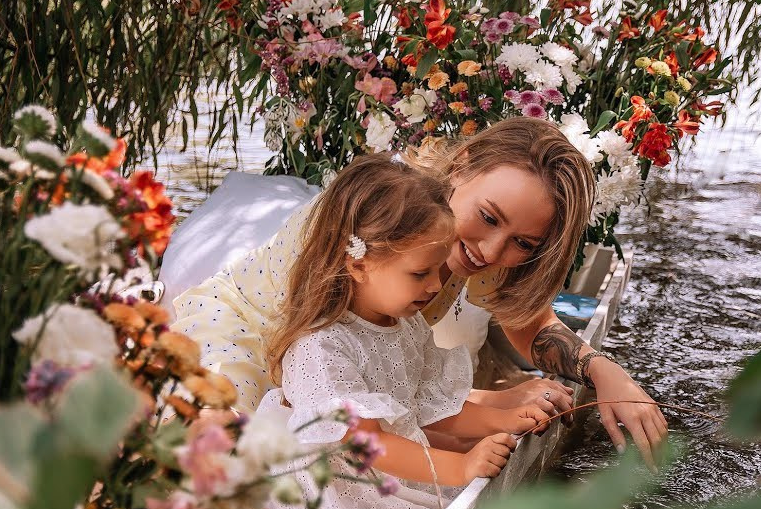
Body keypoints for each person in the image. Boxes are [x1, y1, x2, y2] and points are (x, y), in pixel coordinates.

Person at [171, 116, 668, 466]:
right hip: (257, 338)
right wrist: (487, 409)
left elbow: (532, 323)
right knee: (226, 447)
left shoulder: (478, 245)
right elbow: (320, 375)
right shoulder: (373, 227)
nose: (492, 252)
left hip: (338, 378)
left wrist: (604, 373)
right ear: (463, 165)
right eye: (489, 217)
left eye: (523, 243)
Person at [260, 154, 550, 509]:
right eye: (420, 274)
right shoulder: (322, 346)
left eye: (436, 270)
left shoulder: (404, 324)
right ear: (359, 264)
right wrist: (459, 467)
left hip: (378, 471)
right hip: (336, 481)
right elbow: (368, 443)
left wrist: (501, 421)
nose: (436, 285)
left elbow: (428, 406)